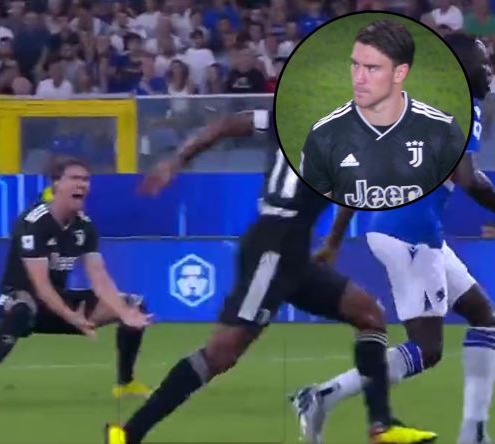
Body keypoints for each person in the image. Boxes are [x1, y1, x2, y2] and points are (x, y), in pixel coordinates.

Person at [104, 110, 437, 443]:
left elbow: (226, 125)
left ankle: (381, 426)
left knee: (369, 315)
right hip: (272, 247)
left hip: (293, 251)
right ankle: (127, 434)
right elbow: (228, 124)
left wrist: (333, 242)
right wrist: (177, 159)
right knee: (221, 353)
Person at [293, 33, 495, 444]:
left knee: (484, 317)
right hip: (413, 232)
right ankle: (323, 396)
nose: (489, 70)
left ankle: (473, 431)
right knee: (427, 348)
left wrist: (334, 239)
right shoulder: (462, 106)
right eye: (483, 62)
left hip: (392, 226)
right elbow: (468, 178)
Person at [0, 158, 153, 406]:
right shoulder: (33, 223)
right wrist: (72, 317)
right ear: (56, 184)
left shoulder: (84, 227)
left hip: (58, 302)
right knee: (22, 307)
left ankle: (125, 383)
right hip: (22, 298)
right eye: (74, 178)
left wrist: (124, 312)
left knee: (134, 304)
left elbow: (99, 278)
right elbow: (40, 284)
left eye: (86, 180)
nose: (82, 185)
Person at [299, 19, 466, 209]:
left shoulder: (441, 130)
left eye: (372, 68)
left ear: (399, 73)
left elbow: (458, 202)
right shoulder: (324, 135)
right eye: (355, 64)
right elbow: (316, 213)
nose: (358, 78)